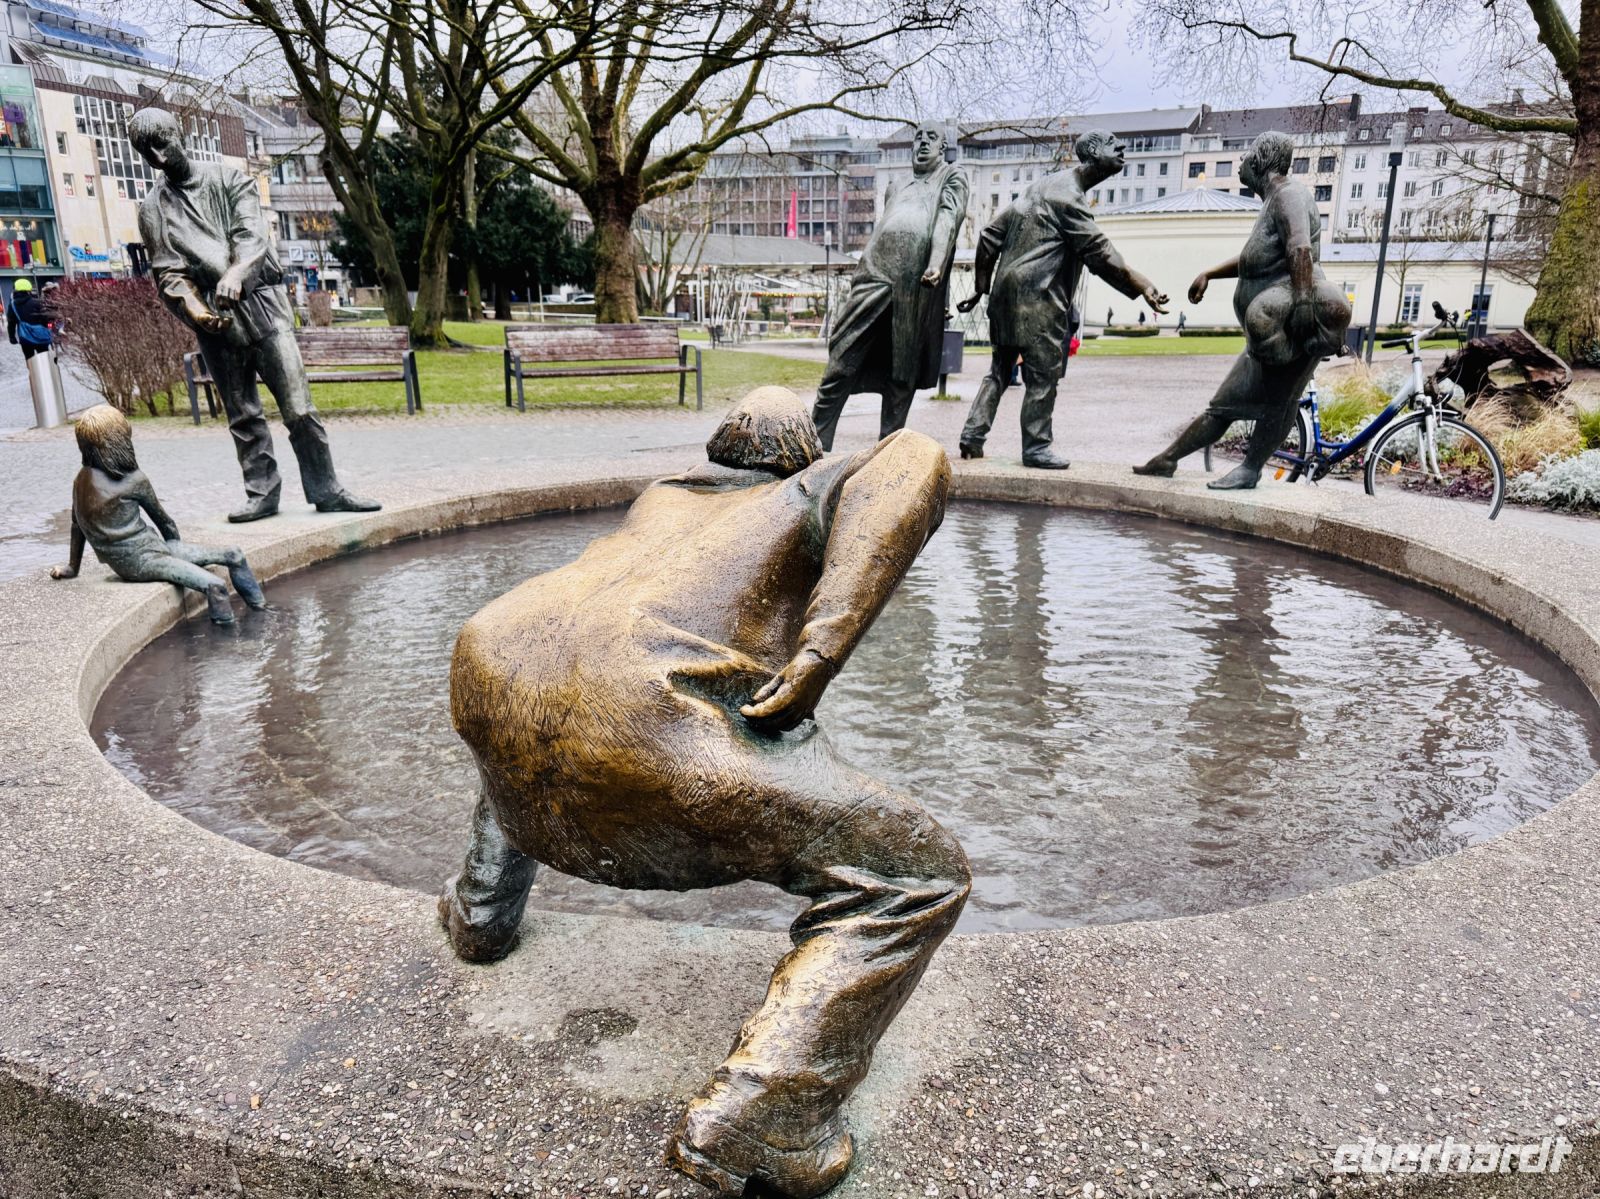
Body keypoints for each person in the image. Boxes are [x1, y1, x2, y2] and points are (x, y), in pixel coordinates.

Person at [441, 387, 969, 1199]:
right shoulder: (813, 485)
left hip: (490, 657)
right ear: (800, 453)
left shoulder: (661, 500)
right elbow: (914, 459)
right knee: (915, 871)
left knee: (552, 705)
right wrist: (823, 647)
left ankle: (481, 912)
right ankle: (768, 1117)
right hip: (645, 719)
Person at [129, 107, 379, 523]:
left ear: (180, 134)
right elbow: (167, 272)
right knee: (242, 414)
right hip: (212, 316)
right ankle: (262, 492)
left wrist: (238, 272)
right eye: (145, 151)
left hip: (262, 303)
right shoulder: (153, 209)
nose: (156, 157)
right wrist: (196, 310)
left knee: (298, 406)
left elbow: (252, 235)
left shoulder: (229, 179)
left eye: (161, 143)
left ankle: (326, 487)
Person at [1134, 131, 1351, 489]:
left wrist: (1299, 310)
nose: (1240, 163)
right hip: (1271, 333)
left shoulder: (1290, 194)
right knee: (1224, 403)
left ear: (1261, 161)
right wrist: (1210, 273)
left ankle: (1250, 469)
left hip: (1292, 325)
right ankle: (1168, 459)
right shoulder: (1273, 200)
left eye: (1245, 156)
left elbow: (1299, 250)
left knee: (1281, 401)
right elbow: (1257, 261)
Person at [956, 130, 1168, 467]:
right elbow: (1100, 254)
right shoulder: (1068, 197)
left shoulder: (1040, 187)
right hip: (1038, 298)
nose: (1123, 147)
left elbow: (988, 236)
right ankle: (1036, 447)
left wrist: (982, 287)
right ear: (1093, 153)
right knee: (1043, 376)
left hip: (1004, 297)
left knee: (999, 369)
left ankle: (972, 435)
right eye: (1114, 144)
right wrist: (1141, 285)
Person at [809, 125, 968, 450]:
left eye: (931, 137)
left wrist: (935, 261)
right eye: (918, 137)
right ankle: (812, 448)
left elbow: (948, 218)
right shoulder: (896, 185)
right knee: (841, 358)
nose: (923, 142)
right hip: (874, 272)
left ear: (943, 147)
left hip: (914, 282)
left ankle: (884, 456)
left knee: (901, 373)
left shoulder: (952, 177)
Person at [48, 405, 266, 625]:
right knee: (215, 586)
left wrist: (72, 567)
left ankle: (262, 613)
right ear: (118, 442)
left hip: (151, 550)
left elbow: (77, 525)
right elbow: (165, 522)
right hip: (139, 563)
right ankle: (236, 642)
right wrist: (177, 558)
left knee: (234, 554)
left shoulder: (80, 480)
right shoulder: (134, 480)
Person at [6, 277, 50, 359]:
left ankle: (33, 371)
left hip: (25, 338)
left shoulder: (12, 305)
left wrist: (12, 337)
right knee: (45, 359)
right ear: (29, 289)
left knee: (30, 359)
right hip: (41, 337)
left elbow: (11, 323)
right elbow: (46, 319)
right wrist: (50, 327)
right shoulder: (37, 302)